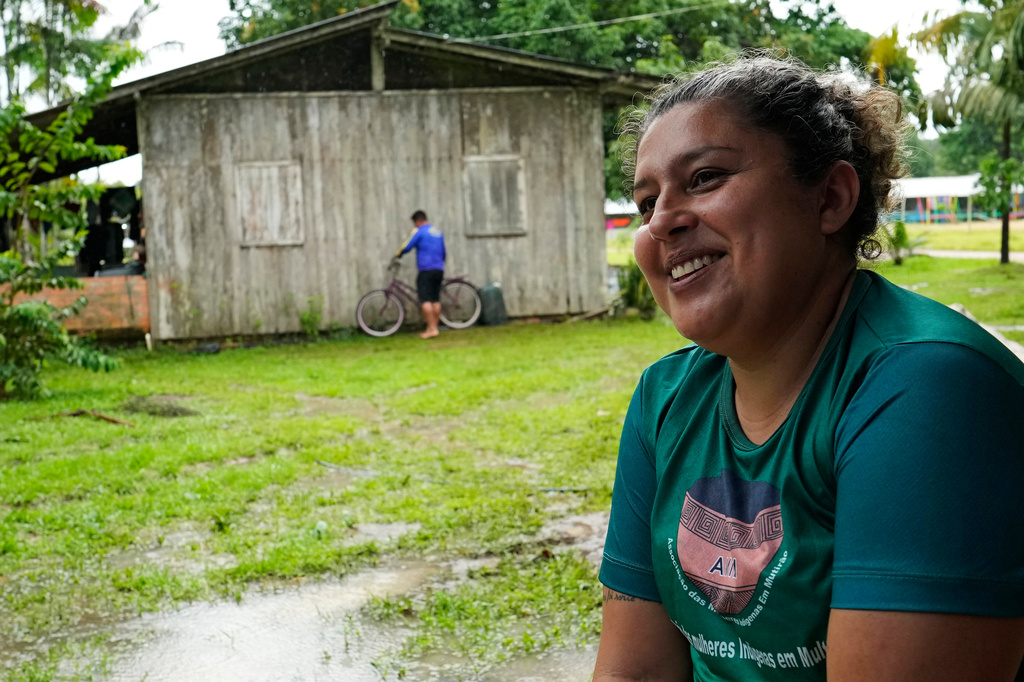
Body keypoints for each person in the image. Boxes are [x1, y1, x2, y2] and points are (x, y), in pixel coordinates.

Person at [594, 54, 1024, 682]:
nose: (661, 222)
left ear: (830, 197)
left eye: (705, 177)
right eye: (647, 201)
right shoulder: (667, 397)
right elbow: (635, 671)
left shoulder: (927, 387)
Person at [395, 210, 446, 339]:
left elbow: (407, 246)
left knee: (425, 300)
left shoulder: (420, 232)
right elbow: (444, 251)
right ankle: (433, 327)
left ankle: (432, 329)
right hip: (438, 269)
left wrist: (398, 253)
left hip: (426, 270)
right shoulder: (437, 232)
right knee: (435, 300)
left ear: (417, 221)